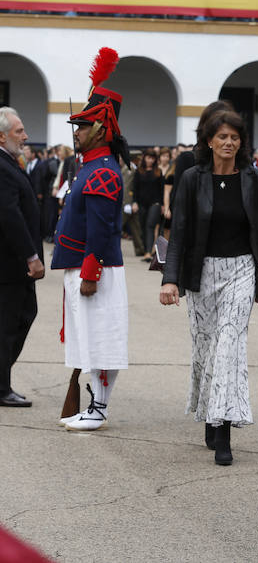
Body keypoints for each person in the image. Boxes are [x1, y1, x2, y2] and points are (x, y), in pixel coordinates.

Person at [160, 109, 258, 466]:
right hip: (201, 273)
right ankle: (210, 412)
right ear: (209, 141)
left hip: (240, 269)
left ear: (241, 143)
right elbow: (178, 232)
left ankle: (224, 427)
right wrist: (170, 279)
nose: (228, 142)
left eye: (234, 137)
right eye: (222, 136)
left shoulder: (252, 180)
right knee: (206, 349)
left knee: (229, 344)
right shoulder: (193, 178)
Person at [53, 54, 130, 431]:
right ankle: (92, 406)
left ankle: (98, 409)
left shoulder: (101, 172)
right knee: (90, 339)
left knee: (102, 340)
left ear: (101, 128)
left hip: (94, 268)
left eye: (83, 126)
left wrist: (90, 273)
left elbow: (100, 231)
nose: (76, 132)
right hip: (85, 266)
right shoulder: (92, 167)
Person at [0, 107, 44, 407]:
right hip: (10, 264)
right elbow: (9, 215)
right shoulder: (2, 166)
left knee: (22, 317)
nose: (25, 136)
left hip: (13, 265)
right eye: (19, 131)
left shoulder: (9, 162)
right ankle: (1, 387)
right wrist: (31, 256)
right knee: (8, 325)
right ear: (2, 136)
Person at [133, 150, 163, 261]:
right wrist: (134, 202)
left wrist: (163, 204)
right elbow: (135, 188)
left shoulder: (158, 172)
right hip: (141, 203)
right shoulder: (139, 171)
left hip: (155, 203)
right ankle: (146, 250)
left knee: (150, 225)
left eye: (152, 158)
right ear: (144, 158)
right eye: (148, 157)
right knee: (143, 226)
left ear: (155, 160)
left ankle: (148, 252)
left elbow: (162, 189)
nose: (150, 160)